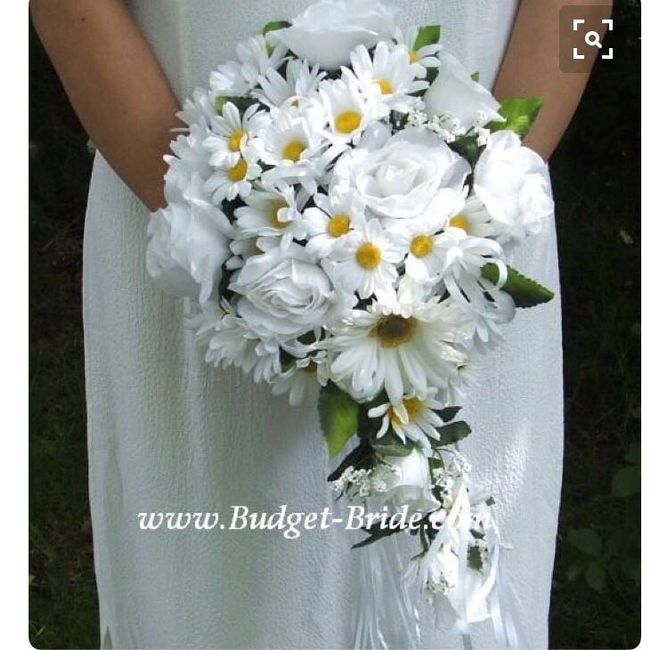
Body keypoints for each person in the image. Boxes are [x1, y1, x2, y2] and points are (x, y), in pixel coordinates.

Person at [31, 1, 611, 648]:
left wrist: (485, 196)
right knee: (215, 593)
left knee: (450, 593)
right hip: (178, 184)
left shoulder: (479, 214)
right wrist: (220, 222)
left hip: (470, 238)